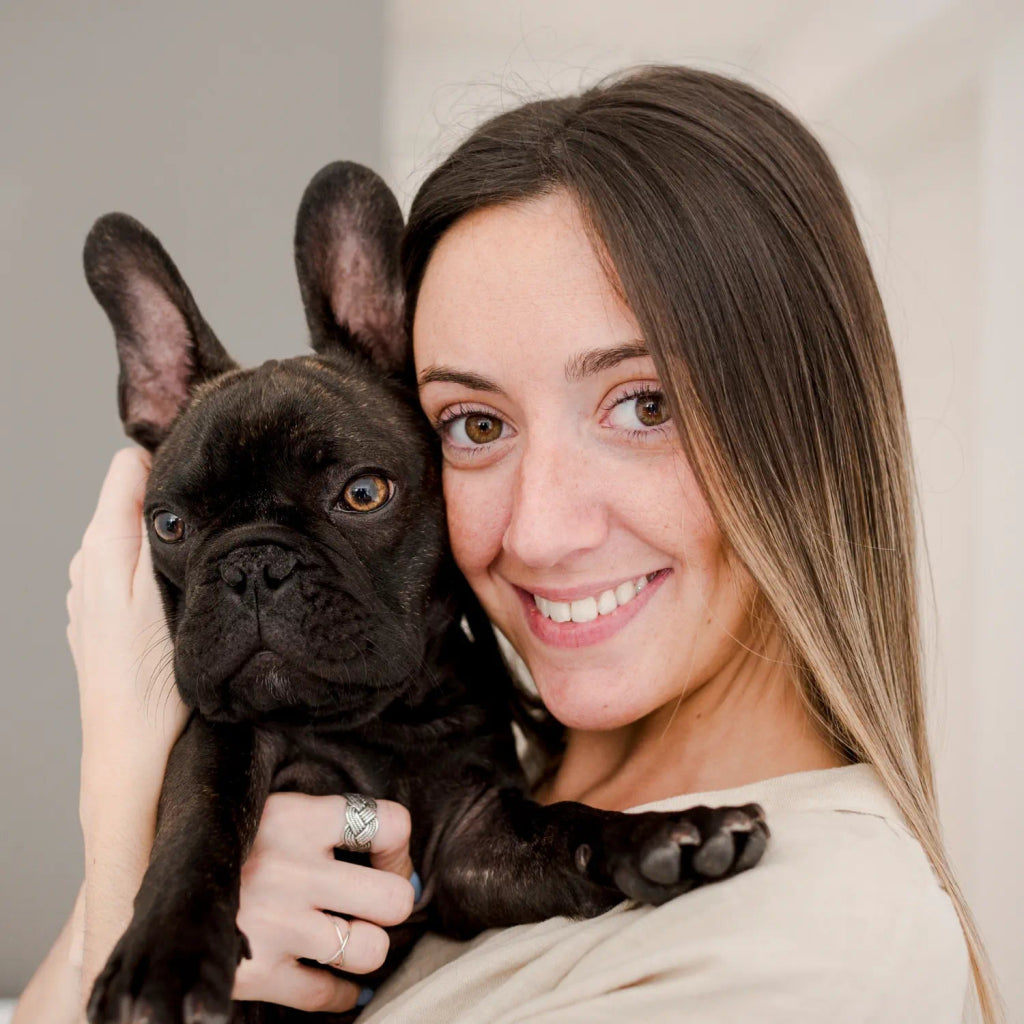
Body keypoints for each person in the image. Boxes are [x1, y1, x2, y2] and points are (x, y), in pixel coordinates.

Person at [15, 65, 1000, 1024]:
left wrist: (121, 860)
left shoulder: (819, 939)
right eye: (474, 424)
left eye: (643, 405)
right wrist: (153, 865)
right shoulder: (494, 757)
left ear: (811, 430)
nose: (539, 527)